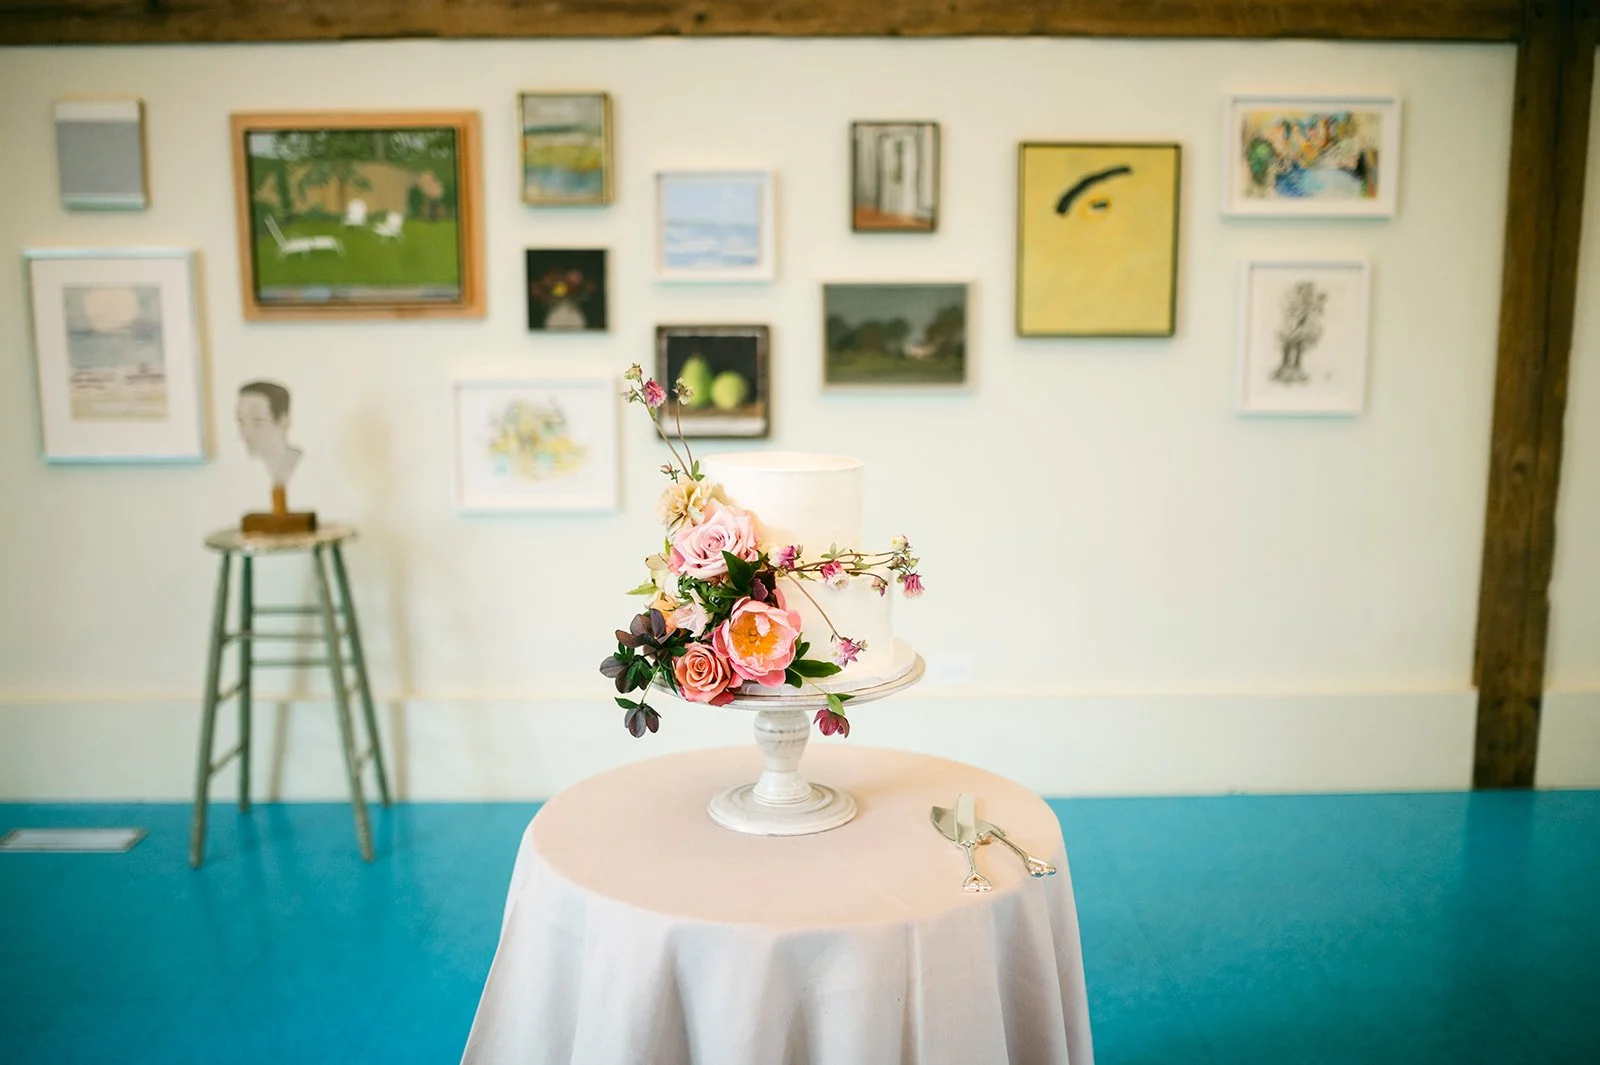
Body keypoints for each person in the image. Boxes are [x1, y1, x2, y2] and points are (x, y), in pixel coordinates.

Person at [236, 380, 302, 488]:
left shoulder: (304, 469)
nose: (246, 432)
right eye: (241, 422)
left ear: (284, 421)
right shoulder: (258, 475)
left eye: (257, 421)